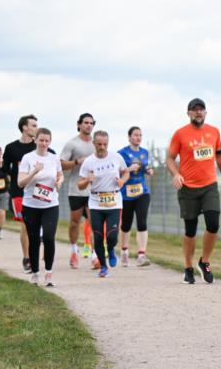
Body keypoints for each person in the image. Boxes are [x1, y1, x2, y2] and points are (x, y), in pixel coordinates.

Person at [166, 98, 221, 284]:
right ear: (188, 113)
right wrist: (175, 174)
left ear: (206, 112)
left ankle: (204, 262)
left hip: (209, 186)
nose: (198, 112)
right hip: (188, 187)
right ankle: (188, 267)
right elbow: (170, 158)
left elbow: (219, 155)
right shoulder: (180, 134)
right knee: (190, 230)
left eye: (201, 109)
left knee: (213, 223)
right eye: (194, 110)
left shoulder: (214, 132)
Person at [78, 130, 130, 279]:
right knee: (99, 236)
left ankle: (112, 249)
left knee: (112, 235)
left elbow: (126, 172)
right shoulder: (89, 162)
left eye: (105, 144)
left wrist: (122, 181)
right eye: (99, 144)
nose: (102, 147)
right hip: (96, 203)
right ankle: (103, 266)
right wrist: (88, 180)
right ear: (94, 143)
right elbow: (80, 185)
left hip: (114, 201)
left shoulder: (116, 157)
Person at [17, 128, 63, 286]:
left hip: (50, 204)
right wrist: (34, 172)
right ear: (35, 140)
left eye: (47, 140)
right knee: (34, 239)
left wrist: (59, 182)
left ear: (50, 142)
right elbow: (20, 183)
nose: (44, 143)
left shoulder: (54, 158)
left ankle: (49, 273)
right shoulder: (27, 158)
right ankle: (35, 273)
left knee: (49, 237)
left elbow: (60, 174)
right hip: (30, 204)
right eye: (41, 140)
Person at [59, 113, 97, 269]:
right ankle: (74, 251)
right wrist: (76, 162)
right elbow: (61, 164)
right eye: (86, 122)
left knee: (95, 224)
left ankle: (95, 256)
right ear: (79, 124)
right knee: (75, 223)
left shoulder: (97, 143)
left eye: (91, 123)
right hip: (76, 189)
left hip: (93, 190)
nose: (89, 125)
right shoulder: (72, 144)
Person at [3, 114, 41, 273]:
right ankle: (27, 258)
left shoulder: (38, 147)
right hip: (19, 191)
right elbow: (5, 170)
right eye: (33, 125)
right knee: (26, 224)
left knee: (36, 224)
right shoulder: (11, 148)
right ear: (24, 127)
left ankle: (34, 252)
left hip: (37, 190)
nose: (36, 128)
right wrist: (19, 171)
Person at [118, 126, 154, 266]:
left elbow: (146, 166)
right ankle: (124, 251)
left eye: (140, 135)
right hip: (126, 194)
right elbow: (117, 171)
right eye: (135, 135)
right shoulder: (121, 153)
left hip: (142, 192)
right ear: (129, 137)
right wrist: (128, 169)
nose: (138, 137)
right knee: (126, 224)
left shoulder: (145, 152)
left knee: (142, 222)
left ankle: (141, 255)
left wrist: (149, 170)